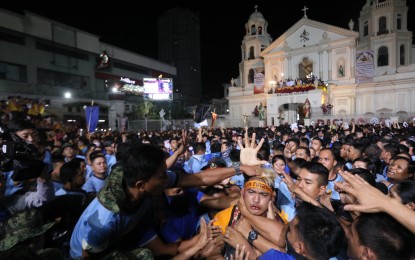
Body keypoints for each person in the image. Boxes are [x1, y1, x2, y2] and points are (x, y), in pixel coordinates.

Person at [70, 139, 264, 259]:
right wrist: (198, 245)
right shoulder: (105, 220)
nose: (168, 180)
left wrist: (241, 168)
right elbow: (88, 256)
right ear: (141, 185)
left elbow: (196, 178)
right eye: (162, 176)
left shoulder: (142, 184)